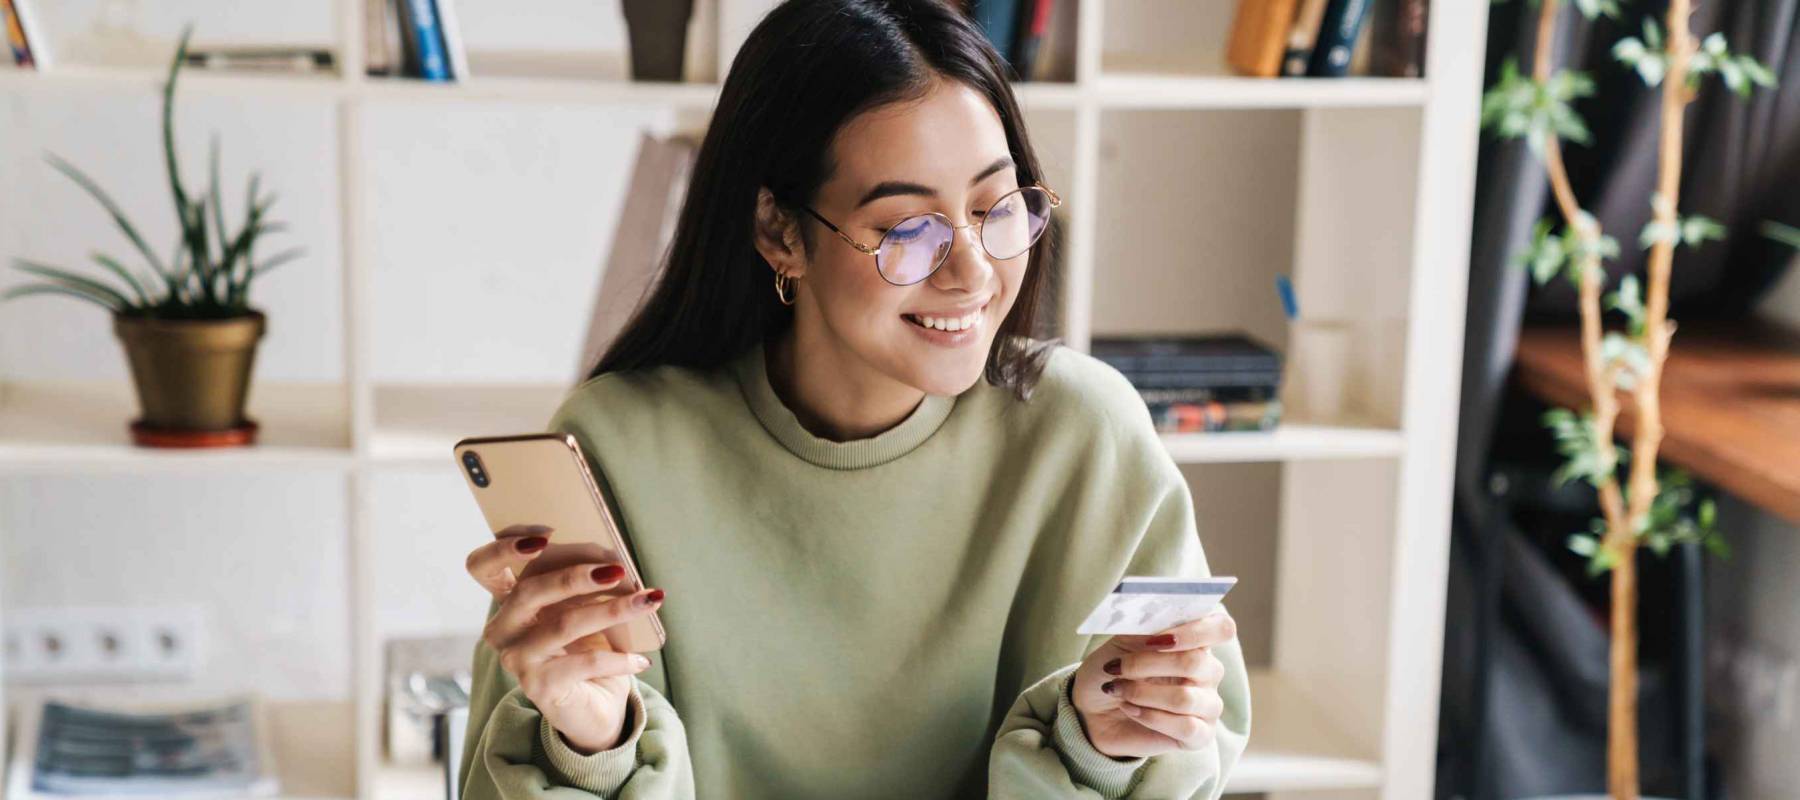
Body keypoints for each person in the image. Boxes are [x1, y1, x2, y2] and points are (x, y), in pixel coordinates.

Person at [454, 1, 1250, 797]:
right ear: (780, 231)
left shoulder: (1085, 436)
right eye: (909, 230)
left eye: (995, 208)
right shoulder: (621, 448)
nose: (972, 273)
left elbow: (1189, 757)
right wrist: (590, 742)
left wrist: (1102, 745)